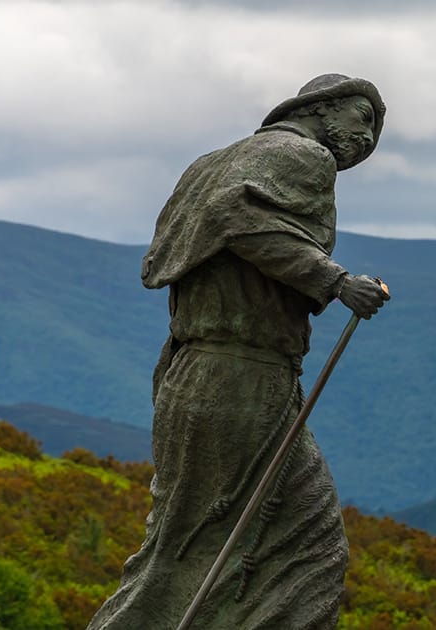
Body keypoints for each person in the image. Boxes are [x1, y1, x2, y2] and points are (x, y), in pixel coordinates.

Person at [86, 74, 390, 629]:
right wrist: (334, 280)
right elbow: (239, 220)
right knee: (301, 546)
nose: (367, 141)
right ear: (320, 108)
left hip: (194, 372)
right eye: (363, 119)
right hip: (242, 378)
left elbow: (172, 252)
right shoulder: (303, 155)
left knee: (194, 544)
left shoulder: (211, 162)